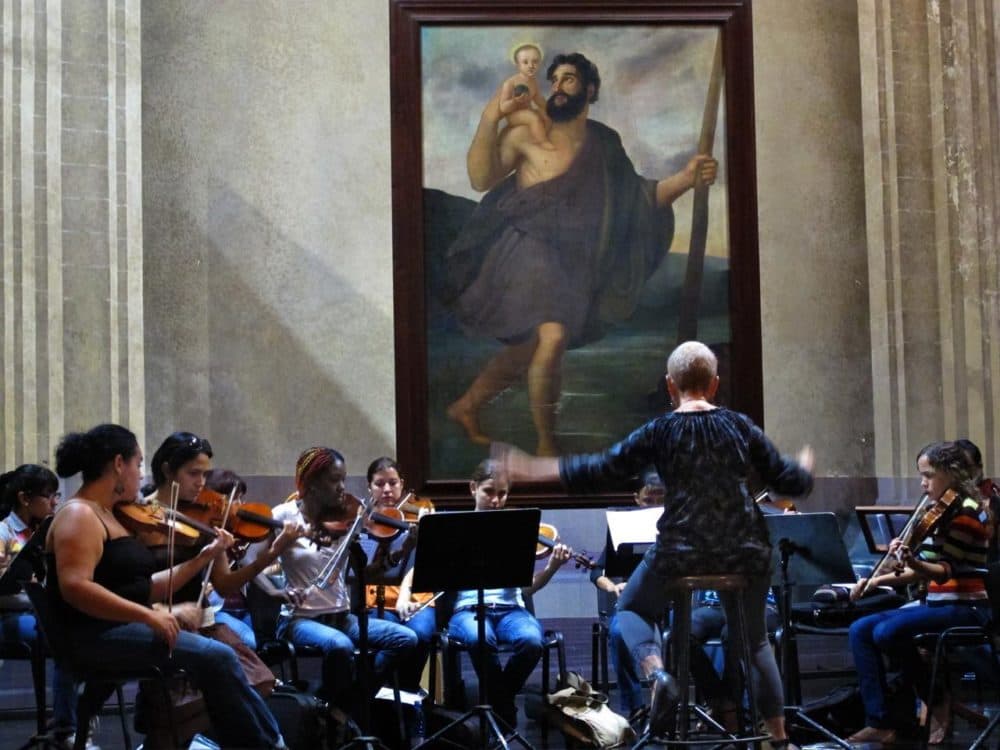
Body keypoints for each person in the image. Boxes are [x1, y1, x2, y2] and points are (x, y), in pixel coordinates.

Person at [499, 340, 814, 749]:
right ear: (715, 385)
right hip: (746, 549)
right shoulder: (739, 425)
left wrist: (536, 469)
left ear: (670, 386)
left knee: (629, 609)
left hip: (682, 551)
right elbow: (791, 482)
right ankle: (777, 739)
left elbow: (601, 468)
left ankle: (657, 674)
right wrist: (804, 466)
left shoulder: (661, 430)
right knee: (754, 641)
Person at [444, 51, 718, 456]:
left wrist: (687, 178)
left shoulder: (604, 143)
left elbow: (639, 199)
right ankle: (546, 444)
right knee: (551, 337)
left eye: (568, 79)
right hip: (526, 252)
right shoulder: (526, 134)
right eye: (554, 80)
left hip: (573, 266)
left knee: (529, 346)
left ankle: (465, 407)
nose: (557, 87)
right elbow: (480, 177)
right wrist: (491, 118)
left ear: (589, 90)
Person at [44, 423, 287, 749]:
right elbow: (75, 587)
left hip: (111, 628)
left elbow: (144, 587)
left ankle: (264, 743)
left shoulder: (103, 513)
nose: (141, 474)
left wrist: (202, 559)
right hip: (94, 636)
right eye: (138, 463)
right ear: (119, 464)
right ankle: (266, 746)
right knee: (218, 658)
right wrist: (148, 617)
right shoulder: (79, 514)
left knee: (219, 659)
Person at [247, 447, 417, 714]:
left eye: (344, 479)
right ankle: (337, 712)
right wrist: (276, 592)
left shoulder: (345, 518)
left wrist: (403, 550)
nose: (342, 488)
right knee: (340, 645)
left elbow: (368, 575)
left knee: (406, 639)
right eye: (334, 480)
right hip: (300, 620)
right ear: (312, 483)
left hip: (342, 617)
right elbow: (251, 564)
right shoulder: (283, 515)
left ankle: (348, 704)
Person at [846, 441, 992, 745]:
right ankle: (880, 720)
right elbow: (918, 570)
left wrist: (912, 560)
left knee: (887, 631)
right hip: (937, 603)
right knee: (860, 630)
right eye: (921, 476)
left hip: (967, 607)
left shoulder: (967, 513)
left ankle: (935, 696)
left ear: (950, 474)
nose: (923, 483)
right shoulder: (936, 513)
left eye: (928, 475)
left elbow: (944, 570)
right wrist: (873, 582)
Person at [446, 458, 571, 727]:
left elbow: (527, 589)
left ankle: (496, 704)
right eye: (488, 492)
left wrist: (552, 566)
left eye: (502, 494)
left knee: (532, 641)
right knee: (481, 639)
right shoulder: (456, 530)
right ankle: (504, 711)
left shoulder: (518, 529)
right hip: (468, 610)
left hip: (511, 610)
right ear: (472, 488)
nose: (495, 501)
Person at [0, 465, 85, 747]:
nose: (55, 503)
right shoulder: (5, 532)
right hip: (9, 615)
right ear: (25, 499)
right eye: (49, 496)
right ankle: (67, 727)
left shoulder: (45, 531)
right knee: (65, 638)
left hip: (36, 611)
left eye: (57, 496)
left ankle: (70, 720)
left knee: (80, 634)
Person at [590, 470, 663, 718]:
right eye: (648, 500)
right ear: (636, 499)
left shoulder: (674, 528)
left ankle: (670, 703)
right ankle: (635, 706)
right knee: (619, 633)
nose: (654, 506)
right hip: (634, 607)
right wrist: (613, 586)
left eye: (660, 500)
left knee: (692, 633)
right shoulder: (625, 528)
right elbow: (596, 572)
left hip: (670, 605)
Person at [361, 456, 436, 691]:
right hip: (376, 599)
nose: (387, 490)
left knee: (422, 635)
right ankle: (377, 692)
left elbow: (424, 562)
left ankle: (407, 690)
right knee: (392, 638)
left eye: (393, 483)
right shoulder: (363, 520)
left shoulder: (422, 511)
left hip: (416, 597)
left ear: (402, 484)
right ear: (369, 487)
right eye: (379, 484)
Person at [498, 42, 553, 149]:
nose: (531, 65)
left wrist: (549, 109)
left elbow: (538, 100)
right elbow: (503, 108)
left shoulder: (533, 82)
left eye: (535, 62)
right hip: (514, 115)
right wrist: (515, 101)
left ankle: (539, 137)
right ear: (518, 64)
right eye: (525, 62)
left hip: (528, 111)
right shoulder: (510, 83)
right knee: (533, 118)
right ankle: (542, 142)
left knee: (546, 116)